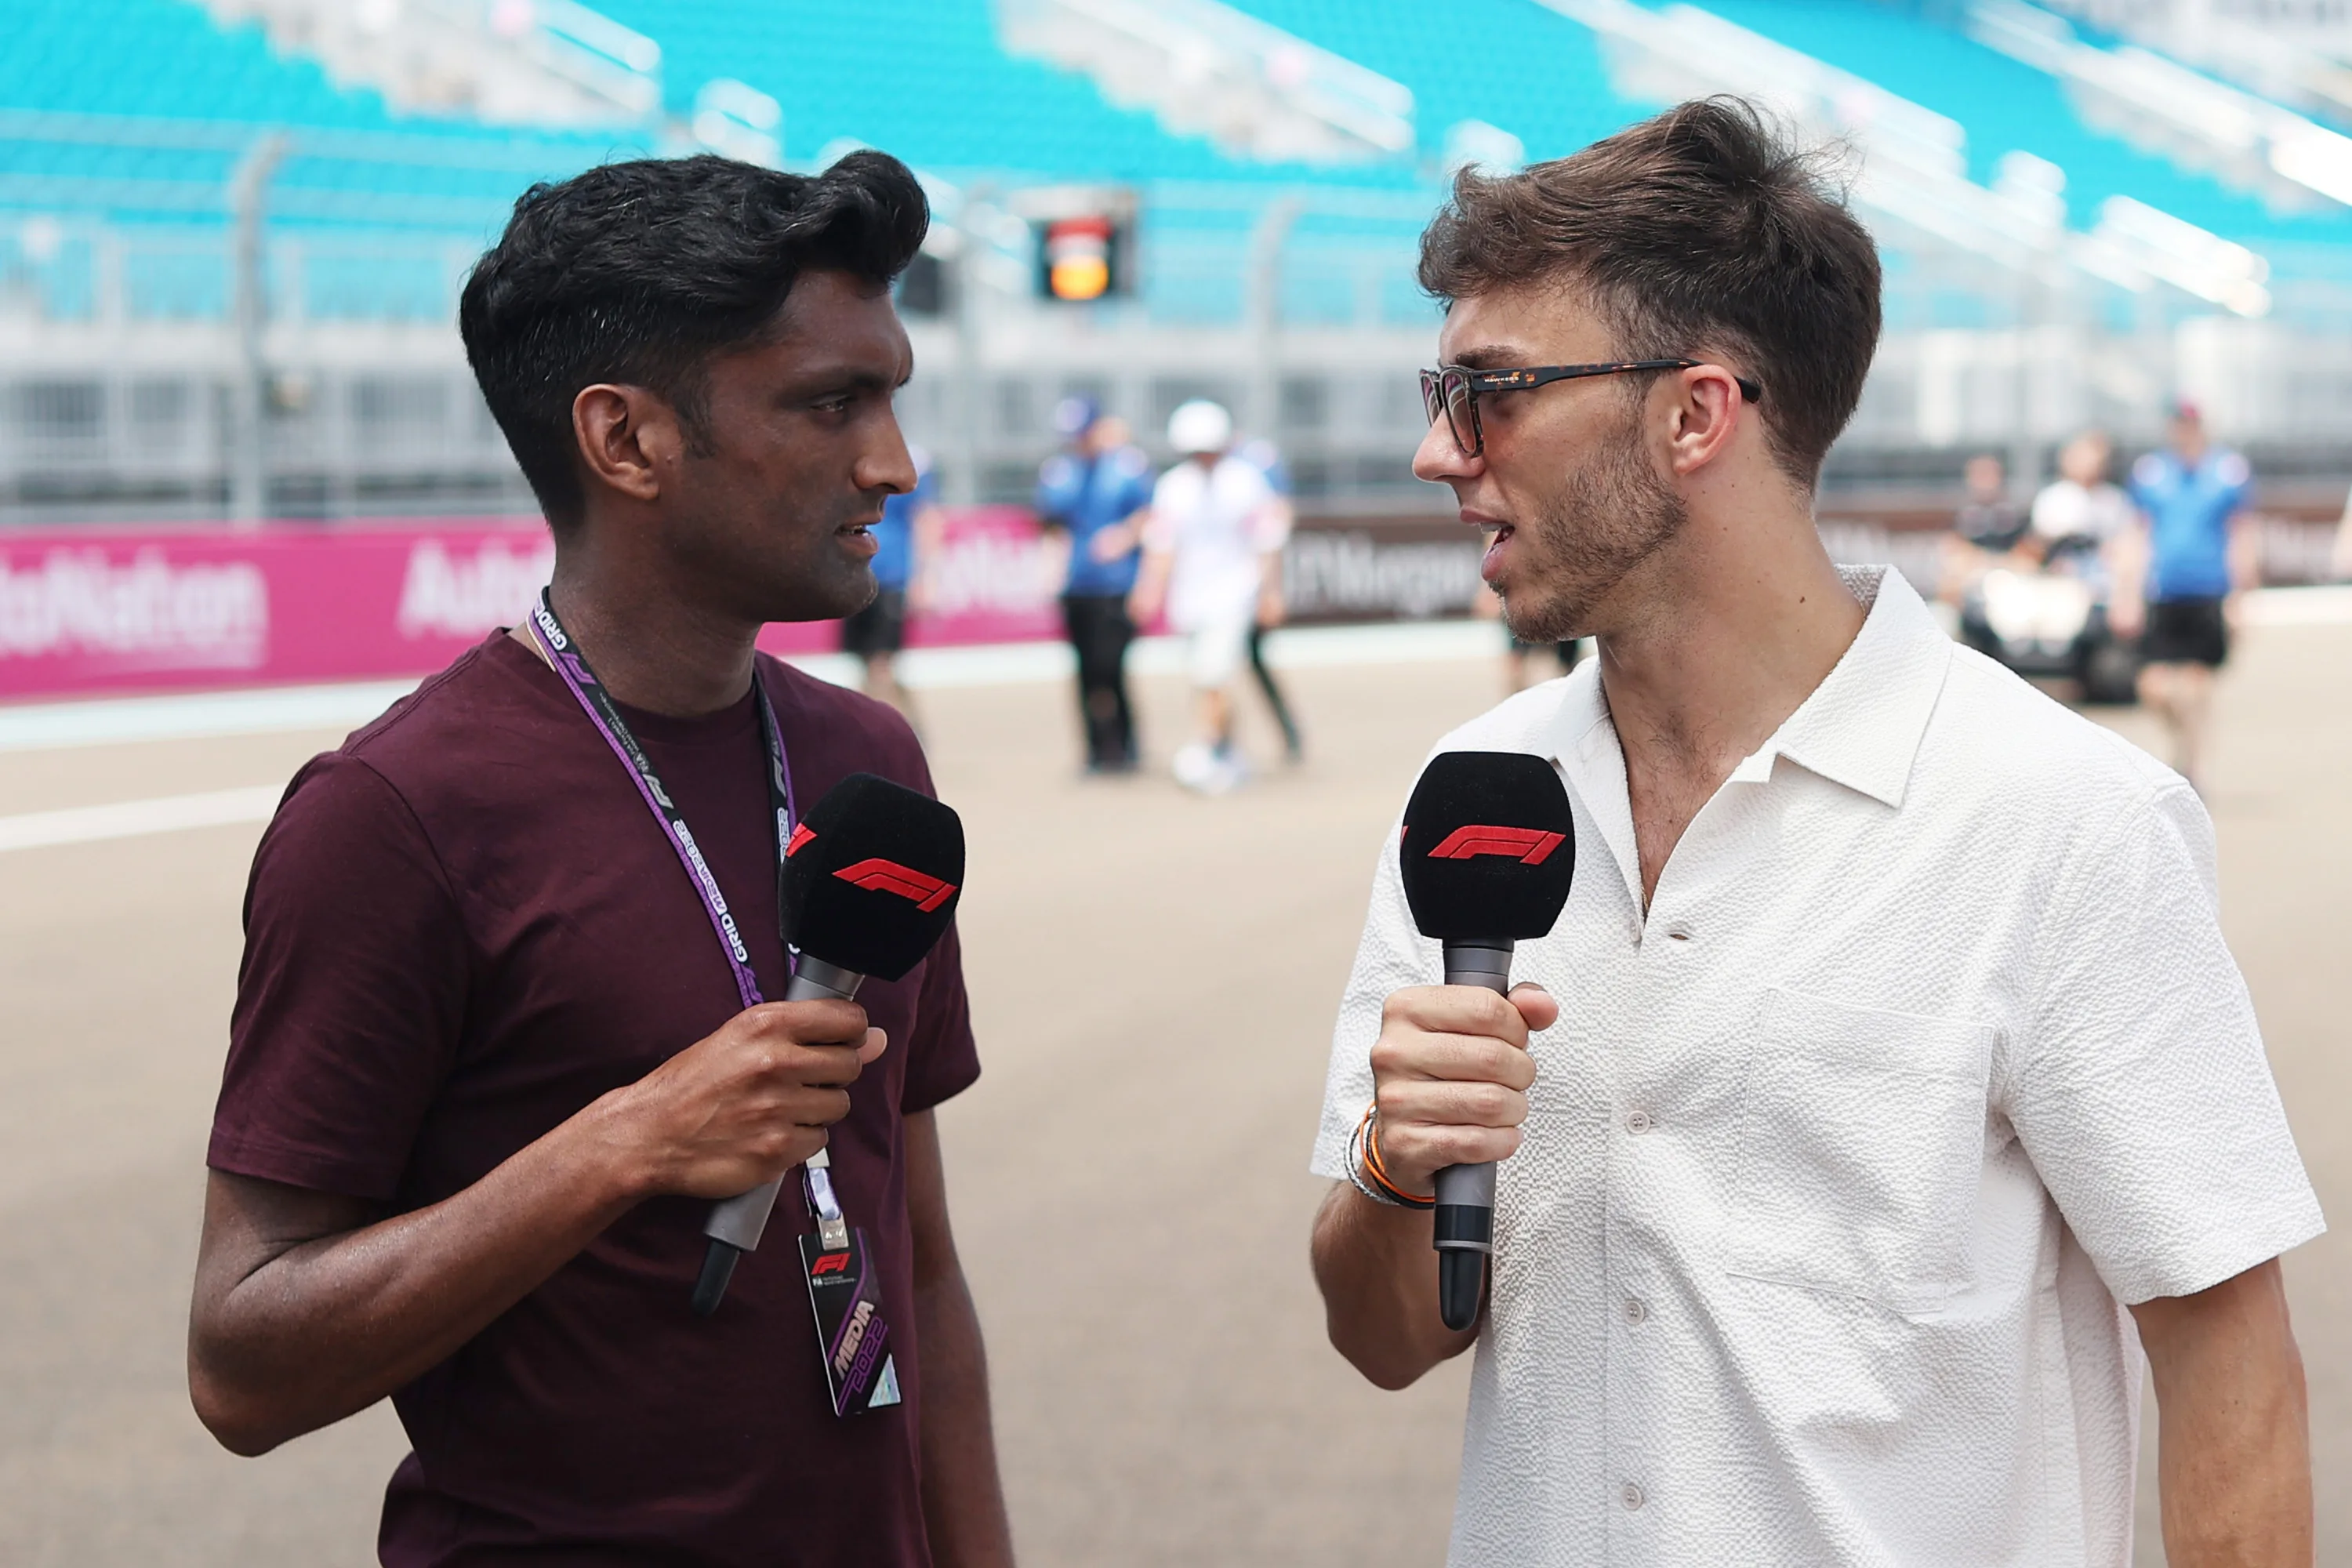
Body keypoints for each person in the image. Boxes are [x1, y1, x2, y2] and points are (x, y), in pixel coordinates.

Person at [1308, 100, 2319, 1566]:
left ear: (1696, 413)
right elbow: (1382, 1340)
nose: (1436, 453)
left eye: (1493, 390)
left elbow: (2229, 1365)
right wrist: (1400, 1163)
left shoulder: (2060, 818)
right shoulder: (1474, 794)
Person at [187, 154, 1014, 1568]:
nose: (893, 461)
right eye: (831, 404)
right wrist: (621, 1146)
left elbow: (918, 1264)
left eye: (890, 396)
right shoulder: (393, 811)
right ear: (624, 441)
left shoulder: (873, 768)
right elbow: (242, 1362)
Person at [1129, 399, 1286, 794]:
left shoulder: (1246, 480)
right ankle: (1229, 752)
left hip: (1235, 595)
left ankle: (1205, 748)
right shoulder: (1173, 486)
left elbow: (1267, 541)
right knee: (1206, 679)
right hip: (1190, 599)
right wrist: (1149, 589)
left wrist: (1270, 592)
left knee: (1214, 675)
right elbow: (1161, 545)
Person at [2111, 400, 2258, 789]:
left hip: (2208, 591)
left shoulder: (2227, 471)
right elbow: (2137, 534)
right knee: (2153, 686)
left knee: (2195, 683)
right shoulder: (2151, 472)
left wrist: (2241, 597)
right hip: (2162, 592)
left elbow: (2240, 534)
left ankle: (2193, 762)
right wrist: (2126, 593)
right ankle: (2183, 742)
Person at [1034, 397, 1151, 772]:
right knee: (1084, 669)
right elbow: (1053, 526)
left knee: (1110, 666)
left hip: (1116, 585)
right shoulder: (1058, 473)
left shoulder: (1127, 467)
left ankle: (1126, 741)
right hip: (1077, 586)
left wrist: (1124, 537)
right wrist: (1051, 569)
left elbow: (1148, 515)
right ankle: (1095, 747)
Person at [840, 442, 945, 724]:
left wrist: (925, 577)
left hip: (891, 578)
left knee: (881, 667)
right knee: (866, 665)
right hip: (855, 577)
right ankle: (901, 731)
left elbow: (926, 518)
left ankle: (898, 733)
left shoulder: (910, 461)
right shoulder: (845, 453)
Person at [1236, 434, 1305, 761]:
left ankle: (1287, 732)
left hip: (1251, 585)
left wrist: (1270, 592)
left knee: (1251, 661)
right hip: (1222, 589)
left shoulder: (1255, 459)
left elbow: (1279, 517)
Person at [1935, 451, 2029, 605]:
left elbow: (2028, 555)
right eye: (1980, 475)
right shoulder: (1960, 517)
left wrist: (1998, 565)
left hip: (2010, 582)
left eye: (1990, 474)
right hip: (1972, 582)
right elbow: (1953, 553)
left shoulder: (2017, 516)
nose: (1986, 481)